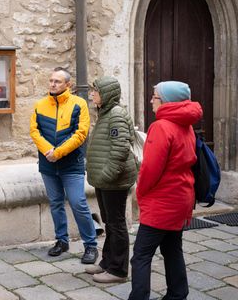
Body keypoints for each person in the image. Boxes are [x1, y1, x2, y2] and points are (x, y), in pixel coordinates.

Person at [128, 81, 202, 300]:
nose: (151, 100)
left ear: (166, 101)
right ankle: (178, 295)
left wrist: (141, 192)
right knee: (172, 250)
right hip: (181, 197)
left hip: (162, 200)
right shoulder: (185, 124)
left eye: (155, 97)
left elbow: (150, 168)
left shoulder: (161, 126)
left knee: (141, 255)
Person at [30, 67, 99, 263]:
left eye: (57, 81)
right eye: (51, 80)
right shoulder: (40, 104)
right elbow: (35, 131)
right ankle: (62, 240)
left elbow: (80, 134)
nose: (52, 84)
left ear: (67, 85)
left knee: (78, 203)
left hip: (71, 164)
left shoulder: (79, 104)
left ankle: (91, 246)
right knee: (56, 204)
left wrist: (58, 152)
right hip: (48, 165)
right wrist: (48, 152)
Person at [85, 77, 137, 283]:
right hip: (104, 180)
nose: (92, 94)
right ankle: (107, 263)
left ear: (106, 94)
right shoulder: (105, 113)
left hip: (113, 180)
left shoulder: (115, 114)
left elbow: (121, 148)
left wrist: (107, 174)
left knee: (116, 223)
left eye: (95, 91)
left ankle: (118, 271)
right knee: (109, 222)